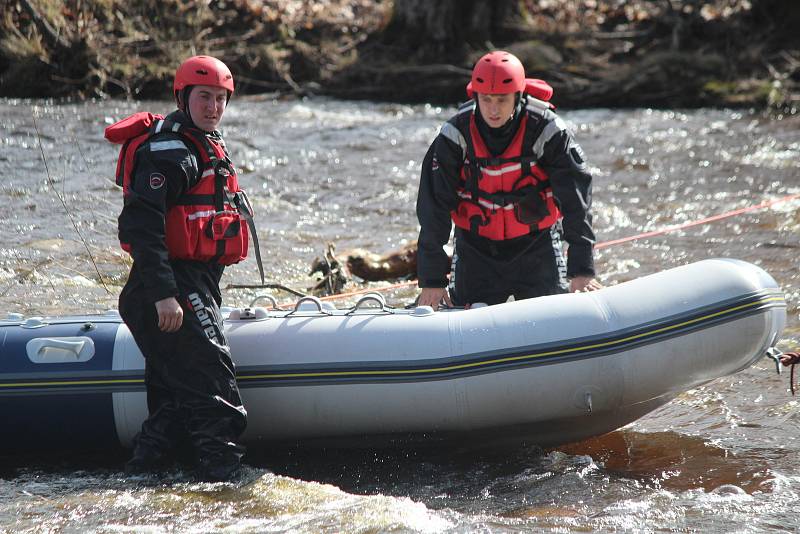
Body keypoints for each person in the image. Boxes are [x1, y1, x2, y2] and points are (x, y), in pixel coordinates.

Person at [105, 55, 257, 480]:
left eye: (220, 99)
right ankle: (225, 485)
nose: (213, 107)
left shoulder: (203, 144)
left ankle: (144, 478)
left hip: (191, 282)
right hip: (169, 286)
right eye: (204, 97)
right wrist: (163, 293)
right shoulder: (172, 153)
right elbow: (141, 225)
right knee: (214, 393)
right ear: (183, 97)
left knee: (175, 398)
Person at [415, 50, 602, 309]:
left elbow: (576, 200)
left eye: (502, 100)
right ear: (476, 95)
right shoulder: (455, 134)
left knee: (551, 317)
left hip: (537, 246)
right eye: (486, 99)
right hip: (476, 249)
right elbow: (433, 207)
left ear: (518, 95)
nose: (493, 110)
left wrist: (582, 270)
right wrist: (432, 279)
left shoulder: (546, 129)